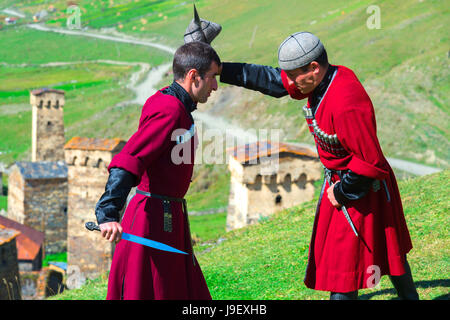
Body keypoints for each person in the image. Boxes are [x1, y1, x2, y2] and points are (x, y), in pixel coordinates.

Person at [219, 31, 419, 300]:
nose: (289, 83)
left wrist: (340, 192)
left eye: (293, 76)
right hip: (344, 183)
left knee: (346, 271)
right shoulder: (319, 80)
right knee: (386, 253)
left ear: (313, 68)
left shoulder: (345, 102)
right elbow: (272, 81)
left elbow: (369, 160)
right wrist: (221, 70)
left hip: (361, 189)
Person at [94, 41, 221, 300]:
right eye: (212, 78)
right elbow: (131, 157)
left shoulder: (172, 100)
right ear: (193, 76)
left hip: (167, 216)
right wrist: (107, 212)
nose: (216, 86)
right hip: (151, 222)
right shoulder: (170, 110)